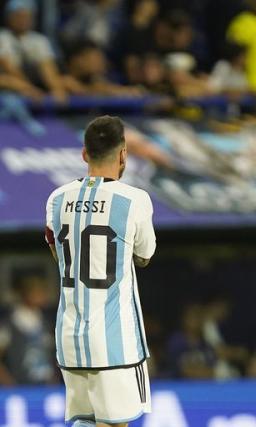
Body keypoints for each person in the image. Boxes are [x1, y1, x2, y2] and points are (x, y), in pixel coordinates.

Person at [45, 116, 156, 427]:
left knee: (86, 421)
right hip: (113, 340)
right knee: (114, 423)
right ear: (123, 154)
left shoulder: (56, 199)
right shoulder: (134, 199)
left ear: (84, 154)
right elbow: (144, 256)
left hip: (69, 336)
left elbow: (58, 256)